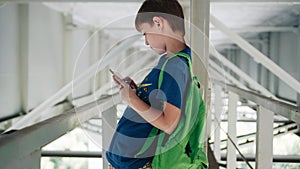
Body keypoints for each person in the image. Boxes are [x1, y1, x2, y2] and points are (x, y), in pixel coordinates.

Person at [106, 1, 205, 169]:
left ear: (158, 23)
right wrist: (137, 93)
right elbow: (160, 103)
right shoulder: (170, 62)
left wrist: (131, 100)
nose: (146, 42)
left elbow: (169, 124)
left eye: (145, 33)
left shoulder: (175, 65)